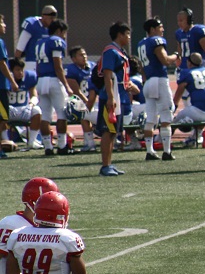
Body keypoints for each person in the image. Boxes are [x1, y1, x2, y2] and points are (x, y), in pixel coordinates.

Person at [138, 17, 180, 161]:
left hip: (148, 81)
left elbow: (142, 67)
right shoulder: (156, 41)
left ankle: (150, 151)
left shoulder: (141, 43)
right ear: (152, 29)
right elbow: (165, 60)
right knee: (166, 115)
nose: (162, 29)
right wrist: (176, 55)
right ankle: (167, 151)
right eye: (160, 27)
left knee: (150, 118)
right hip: (160, 80)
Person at [97, 21, 132, 177]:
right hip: (112, 95)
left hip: (119, 94)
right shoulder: (111, 51)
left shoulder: (120, 51)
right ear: (120, 34)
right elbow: (108, 75)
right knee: (108, 130)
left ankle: (109, 164)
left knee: (113, 132)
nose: (129, 37)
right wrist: (111, 97)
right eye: (127, 34)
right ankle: (105, 165)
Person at [34, 19, 73, 156]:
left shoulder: (40, 42)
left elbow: (38, 65)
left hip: (41, 80)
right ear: (59, 31)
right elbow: (58, 66)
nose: (64, 36)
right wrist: (66, 85)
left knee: (45, 115)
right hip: (53, 80)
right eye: (64, 33)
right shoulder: (56, 41)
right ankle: (62, 146)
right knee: (61, 113)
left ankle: (48, 147)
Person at [172, 53, 205, 160]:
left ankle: (161, 139)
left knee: (174, 121)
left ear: (189, 63)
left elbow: (179, 93)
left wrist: (173, 107)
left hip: (196, 112)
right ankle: (196, 137)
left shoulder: (186, 73)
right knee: (203, 108)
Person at [175, 8, 205, 83]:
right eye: (178, 21)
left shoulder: (197, 31)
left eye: (181, 20)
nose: (179, 23)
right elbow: (180, 52)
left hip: (197, 70)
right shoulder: (179, 33)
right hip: (184, 68)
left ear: (189, 19)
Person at [65, 46, 97, 152]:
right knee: (83, 113)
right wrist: (88, 103)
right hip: (80, 101)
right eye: (80, 55)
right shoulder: (71, 69)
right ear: (74, 59)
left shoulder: (93, 67)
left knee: (85, 113)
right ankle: (89, 143)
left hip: (94, 101)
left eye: (84, 54)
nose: (84, 57)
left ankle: (90, 143)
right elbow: (76, 91)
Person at [7, 58, 42, 151]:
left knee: (37, 110)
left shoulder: (29, 77)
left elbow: (34, 95)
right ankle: (5, 140)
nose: (20, 72)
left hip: (24, 109)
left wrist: (30, 105)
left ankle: (32, 141)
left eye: (21, 70)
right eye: (17, 70)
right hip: (9, 110)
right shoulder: (5, 79)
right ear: (11, 71)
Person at [15, 5, 58, 72]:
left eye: (54, 18)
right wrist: (16, 65)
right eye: (51, 18)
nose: (53, 20)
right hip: (32, 62)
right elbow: (20, 47)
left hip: (47, 63)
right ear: (43, 16)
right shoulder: (32, 24)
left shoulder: (53, 27)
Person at [0, 15, 19, 151]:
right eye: (2, 22)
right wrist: (12, 81)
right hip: (1, 86)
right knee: (2, 118)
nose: (4, 25)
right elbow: (2, 63)